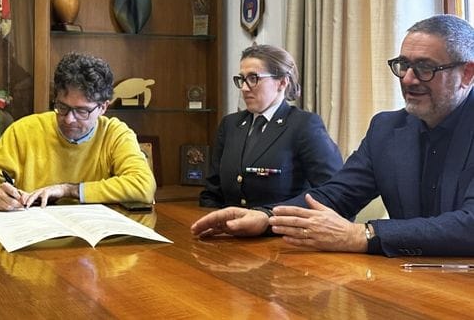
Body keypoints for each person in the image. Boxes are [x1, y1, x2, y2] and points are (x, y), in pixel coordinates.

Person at [191, 14, 474, 257]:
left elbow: (469, 224)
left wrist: (364, 234)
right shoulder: (386, 129)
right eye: (403, 65)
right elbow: (336, 194)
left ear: (467, 74)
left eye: (424, 68)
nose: (408, 79)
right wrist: (266, 216)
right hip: (406, 280)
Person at [0, 52, 156, 210]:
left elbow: (143, 186)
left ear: (103, 107)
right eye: (62, 107)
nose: (69, 119)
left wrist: (68, 190)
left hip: (96, 244)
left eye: (82, 111)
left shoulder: (115, 134)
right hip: (34, 241)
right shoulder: (25, 131)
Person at [199, 44, 342, 208]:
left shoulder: (304, 126)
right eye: (242, 79)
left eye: (253, 78)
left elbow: (334, 193)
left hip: (280, 223)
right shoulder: (230, 124)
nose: (244, 88)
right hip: (229, 223)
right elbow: (212, 194)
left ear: (282, 83)